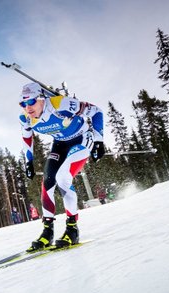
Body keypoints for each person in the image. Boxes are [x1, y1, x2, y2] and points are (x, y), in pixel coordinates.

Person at [18, 82, 105, 252]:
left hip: (81, 139)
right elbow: (27, 138)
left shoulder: (61, 104)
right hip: (60, 144)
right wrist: (28, 161)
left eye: (31, 102)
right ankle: (47, 232)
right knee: (48, 181)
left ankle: (72, 229)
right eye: (23, 103)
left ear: (42, 99)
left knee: (63, 177)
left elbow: (97, 111)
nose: (27, 108)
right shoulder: (25, 118)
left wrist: (99, 141)